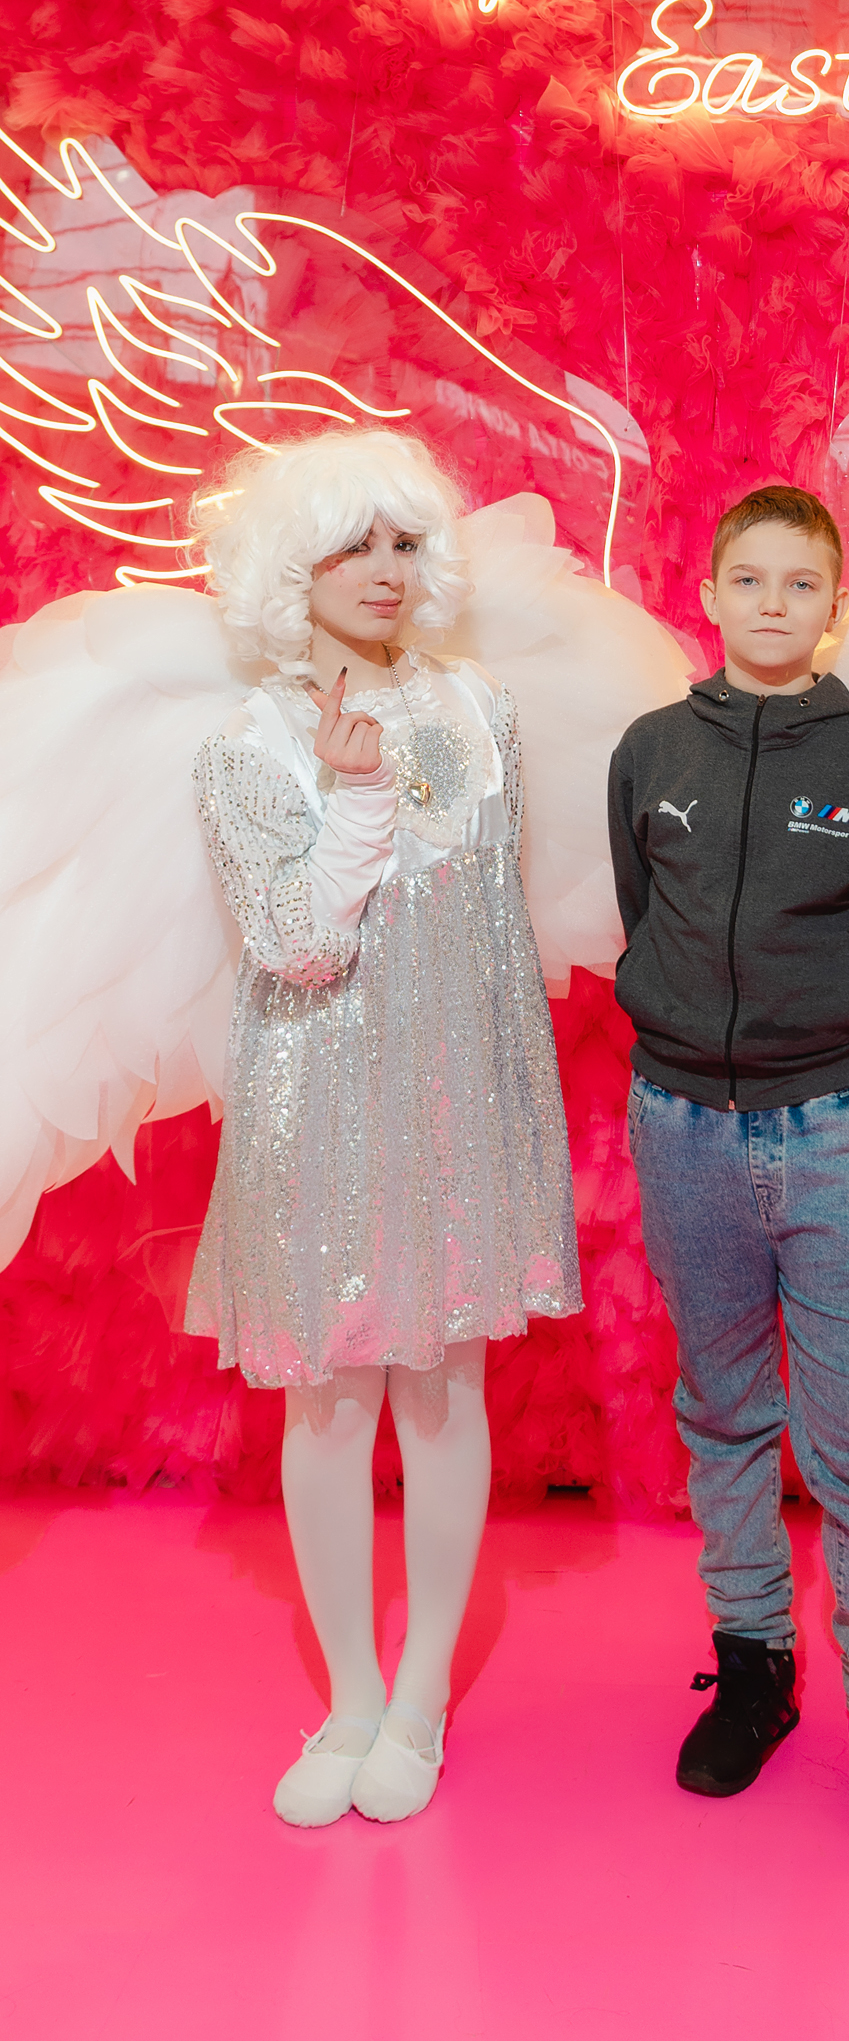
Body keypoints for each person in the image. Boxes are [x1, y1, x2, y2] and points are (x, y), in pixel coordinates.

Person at [186, 429, 581, 1828]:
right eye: (352, 546)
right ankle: (350, 1697)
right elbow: (295, 945)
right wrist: (354, 799)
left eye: (405, 544)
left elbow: (491, 924)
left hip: (455, 1096)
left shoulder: (480, 708)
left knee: (446, 1391)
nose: (385, 571)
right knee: (330, 1399)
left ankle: (419, 1699)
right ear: (290, 569)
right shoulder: (245, 745)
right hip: (317, 1103)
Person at [607, 484, 849, 1864]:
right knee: (724, 1409)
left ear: (833, 606)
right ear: (708, 595)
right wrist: (690, 1042)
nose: (772, 602)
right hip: (681, 1128)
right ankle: (753, 1661)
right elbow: (643, 914)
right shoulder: (651, 751)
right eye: (748, 579)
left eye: (800, 583)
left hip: (830, 1132)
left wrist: (835, 1063)